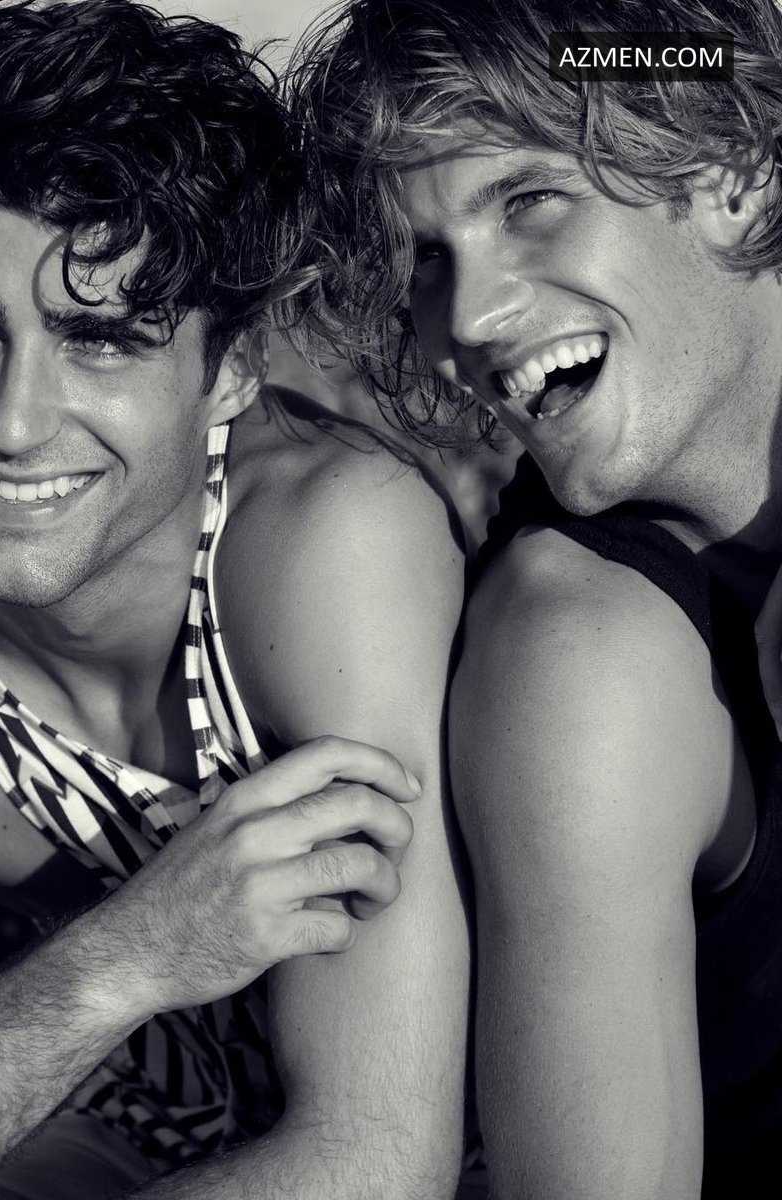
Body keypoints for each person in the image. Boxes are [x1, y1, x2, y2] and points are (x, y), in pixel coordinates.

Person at [0, 2, 470, 1197]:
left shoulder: (327, 543)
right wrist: (127, 958)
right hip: (127, 1125)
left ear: (231, 370)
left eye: (102, 341)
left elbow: (379, 1157)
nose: (12, 422)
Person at [289, 0, 782, 1195]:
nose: (466, 318)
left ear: (731, 171)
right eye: (426, 257)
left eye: (529, 200)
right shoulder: (581, 660)